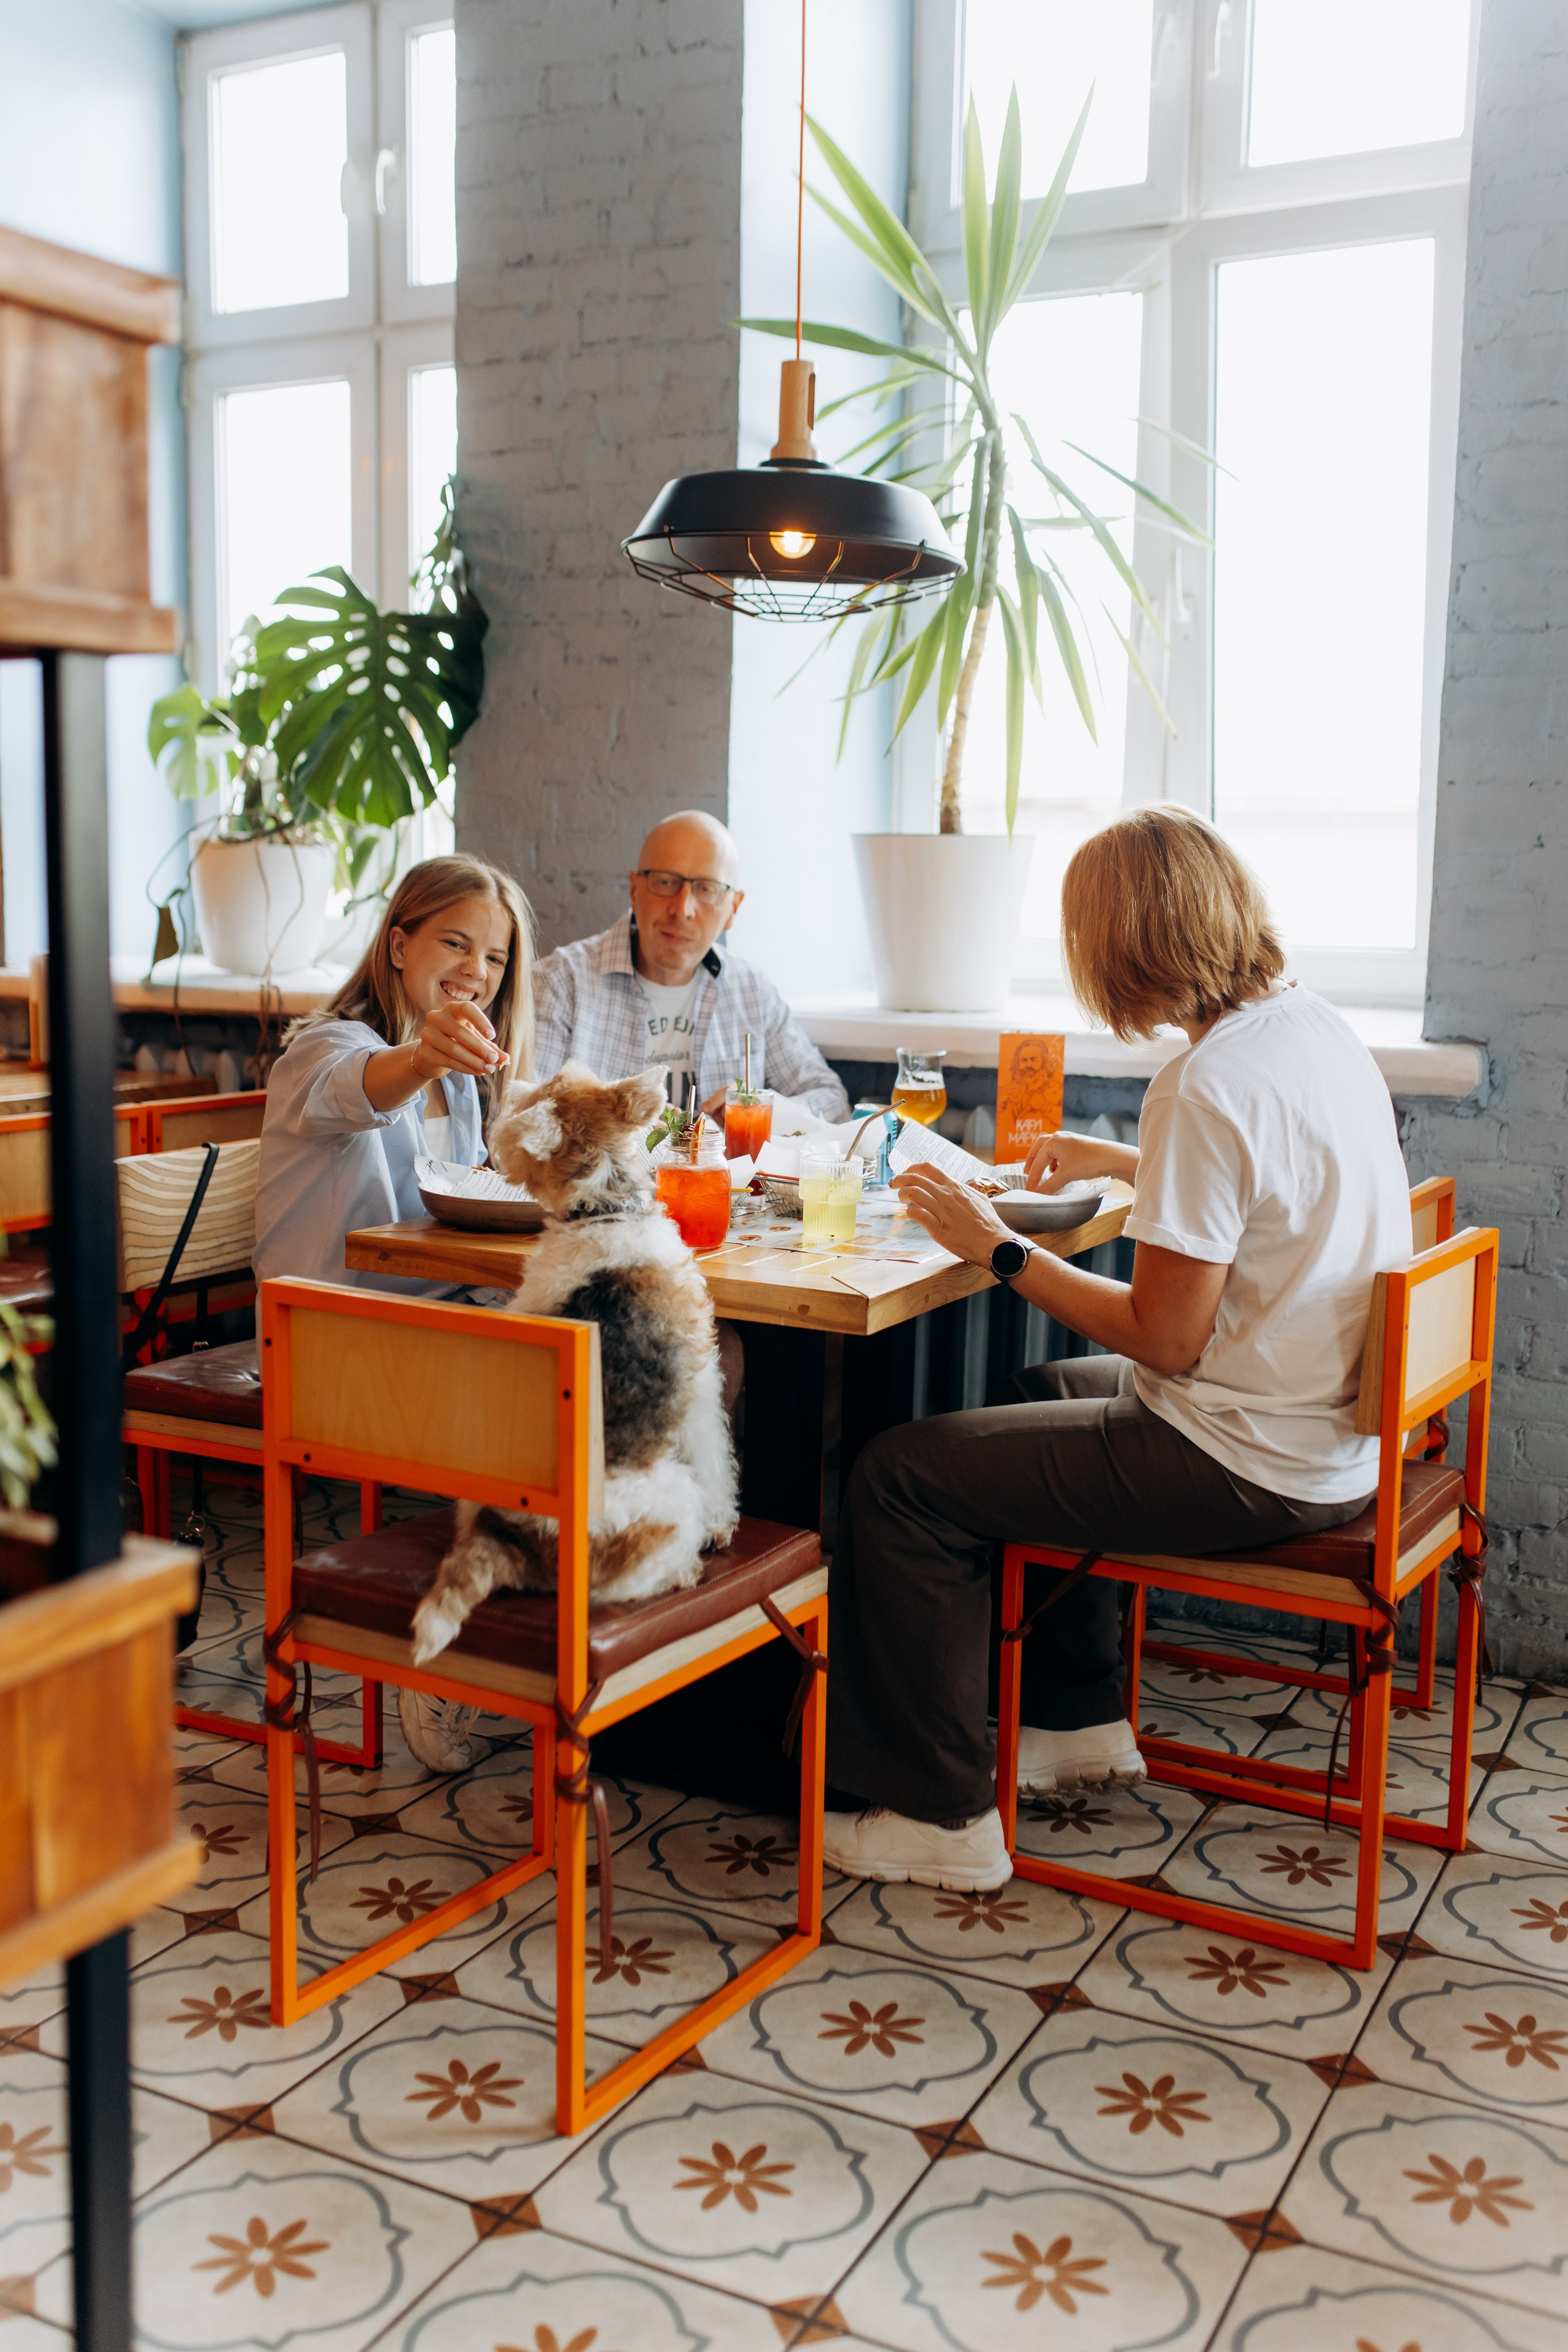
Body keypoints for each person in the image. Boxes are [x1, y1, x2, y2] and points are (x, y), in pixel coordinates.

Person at [821, 806, 1413, 1894]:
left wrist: (997, 1250)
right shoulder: (1311, 1027)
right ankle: (1073, 1718)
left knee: (898, 1479)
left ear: (1122, 944)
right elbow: (1263, 1187)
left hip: (1248, 1460)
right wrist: (1121, 1159)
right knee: (1033, 1390)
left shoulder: (1204, 1082)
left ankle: (938, 1815)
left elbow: (1165, 1340)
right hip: (1332, 1441)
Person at [255, 852, 535, 1773]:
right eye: (456, 943)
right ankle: (455, 1651)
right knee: (559, 1388)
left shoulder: (457, 1081)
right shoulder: (325, 1050)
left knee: (615, 1355)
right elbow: (363, 1087)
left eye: (495, 957)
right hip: (329, 1347)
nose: (477, 971)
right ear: (400, 942)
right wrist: (423, 1055)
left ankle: (538, 1631)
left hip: (420, 1319)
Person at [532, 809, 848, 1121]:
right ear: (634, 890)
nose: (682, 909)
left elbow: (831, 1099)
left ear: (733, 909)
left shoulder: (752, 991)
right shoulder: (561, 983)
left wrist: (758, 1110)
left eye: (706, 889)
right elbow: (524, 1116)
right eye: (665, 882)